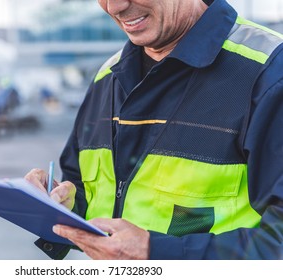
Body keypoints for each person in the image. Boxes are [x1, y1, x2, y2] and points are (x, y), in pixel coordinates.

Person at [25, 0, 283, 259]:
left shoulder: (271, 72)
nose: (114, 7)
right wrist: (62, 205)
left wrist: (156, 253)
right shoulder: (107, 78)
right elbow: (92, 191)